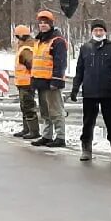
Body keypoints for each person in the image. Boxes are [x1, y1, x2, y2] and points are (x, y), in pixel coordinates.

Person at [69, 18, 111, 162]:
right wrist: (75, 88)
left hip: (108, 91)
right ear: (92, 31)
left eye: (101, 30)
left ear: (105, 31)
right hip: (89, 92)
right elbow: (80, 70)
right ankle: (86, 149)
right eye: (96, 30)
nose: (98, 32)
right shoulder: (85, 48)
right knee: (88, 122)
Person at [29, 9, 69, 148]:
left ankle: (60, 137)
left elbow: (60, 62)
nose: (43, 25)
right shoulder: (39, 40)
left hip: (52, 82)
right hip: (40, 81)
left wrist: (56, 80)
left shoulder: (57, 41)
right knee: (45, 112)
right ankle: (46, 136)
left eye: (46, 22)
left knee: (55, 111)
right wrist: (33, 80)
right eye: (41, 22)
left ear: (51, 24)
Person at [11, 24, 38, 139]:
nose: (16, 39)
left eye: (17, 36)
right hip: (23, 83)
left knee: (28, 106)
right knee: (24, 106)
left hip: (27, 83)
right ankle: (27, 129)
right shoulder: (26, 46)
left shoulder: (26, 49)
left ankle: (33, 131)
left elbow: (30, 65)